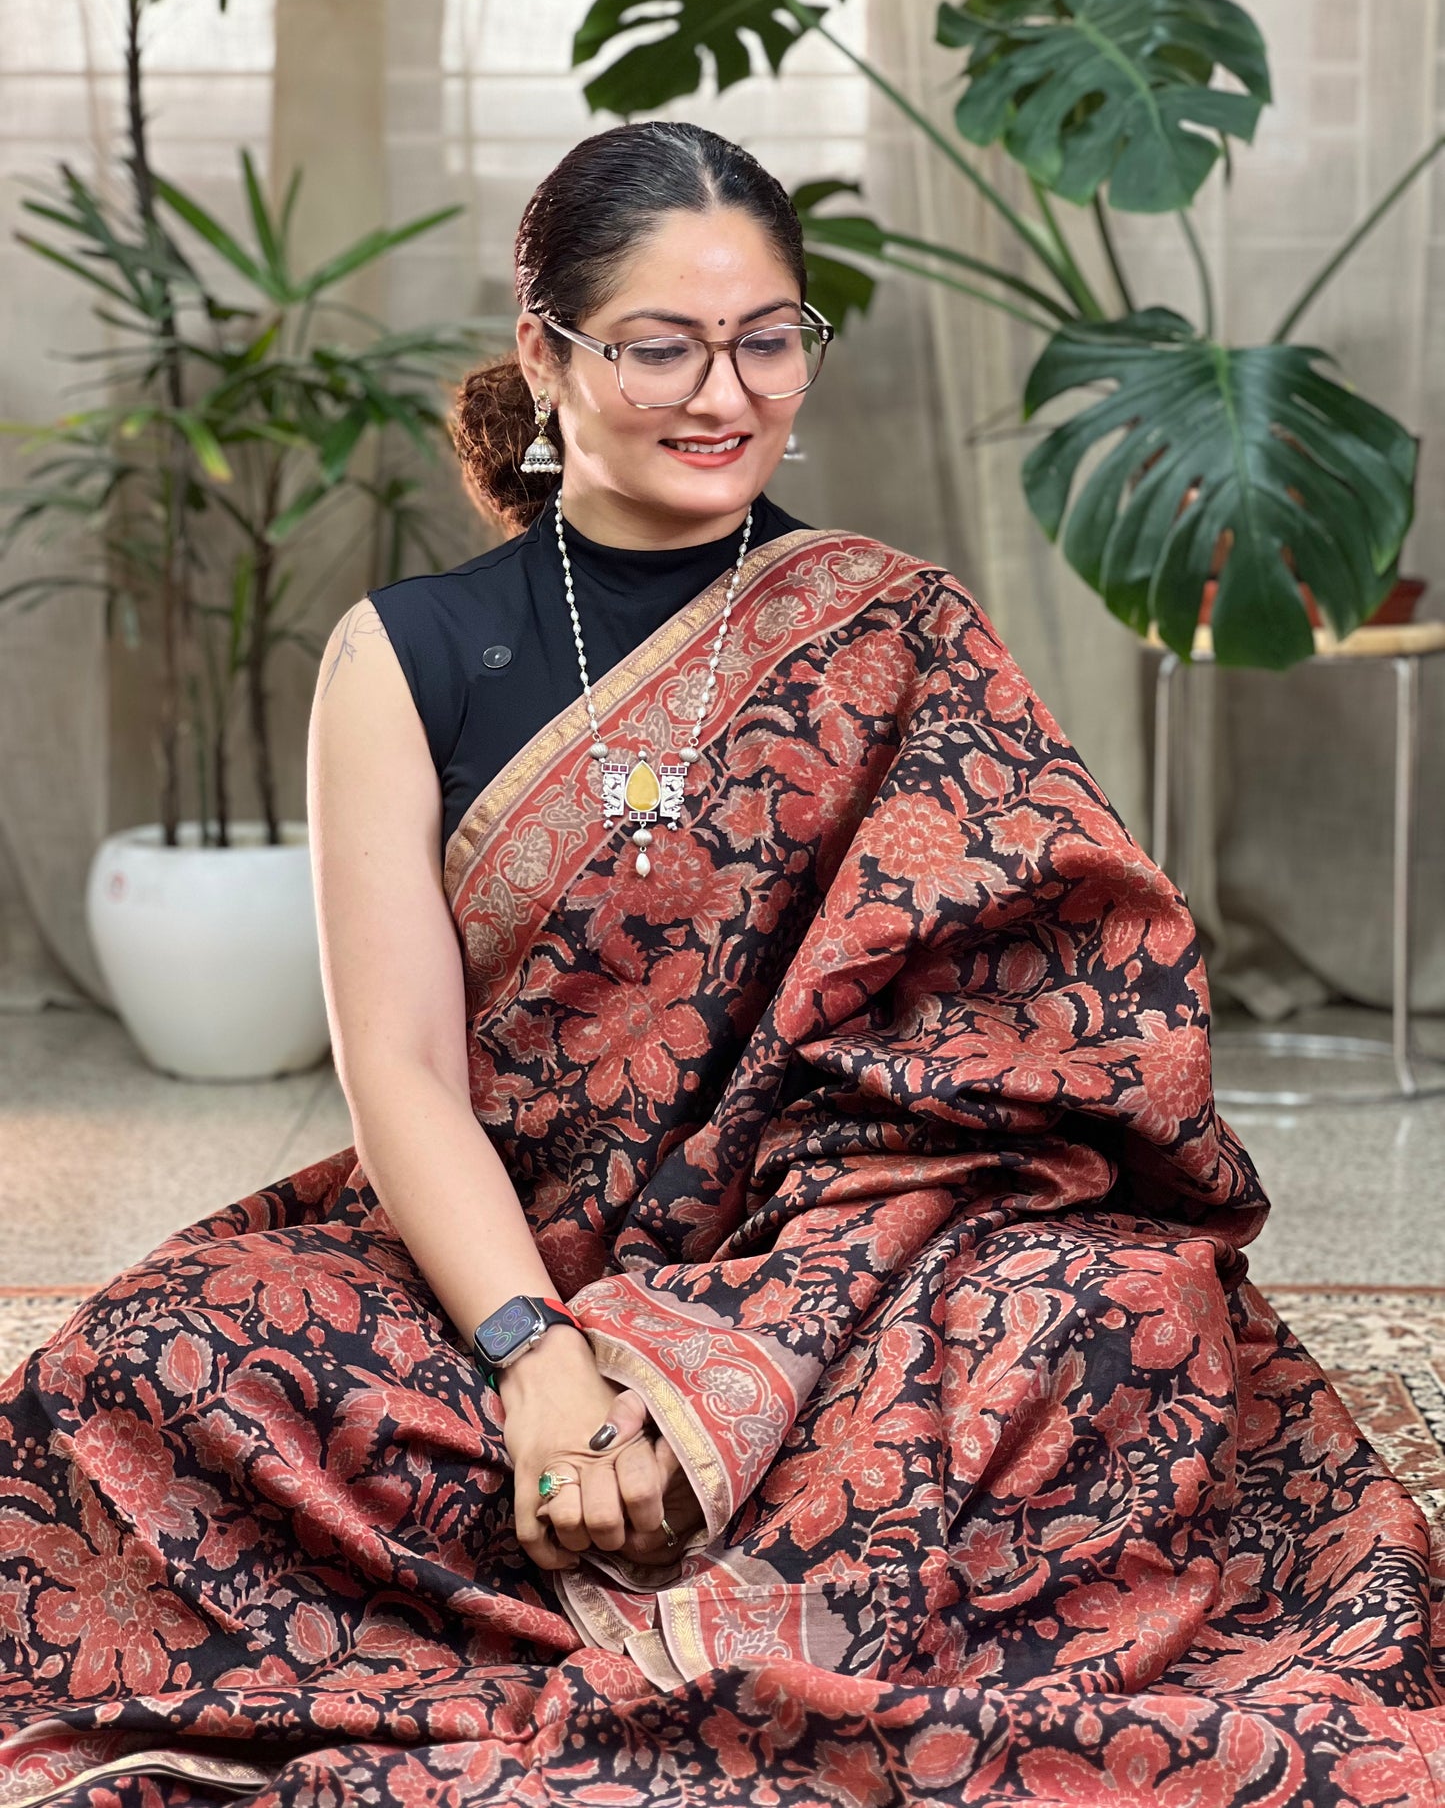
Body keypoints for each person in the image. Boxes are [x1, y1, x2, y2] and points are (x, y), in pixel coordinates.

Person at [0, 119, 1439, 1808]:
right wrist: (539, 1357)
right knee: (152, 1356)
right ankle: (736, 1596)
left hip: (846, 1265)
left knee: (1116, 1308)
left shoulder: (889, 628)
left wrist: (744, 1339)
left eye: (768, 340)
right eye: (660, 346)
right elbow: (395, 1063)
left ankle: (643, 1590)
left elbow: (1045, 1019)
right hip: (502, 1261)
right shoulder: (411, 652)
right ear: (546, 355)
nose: (725, 393)